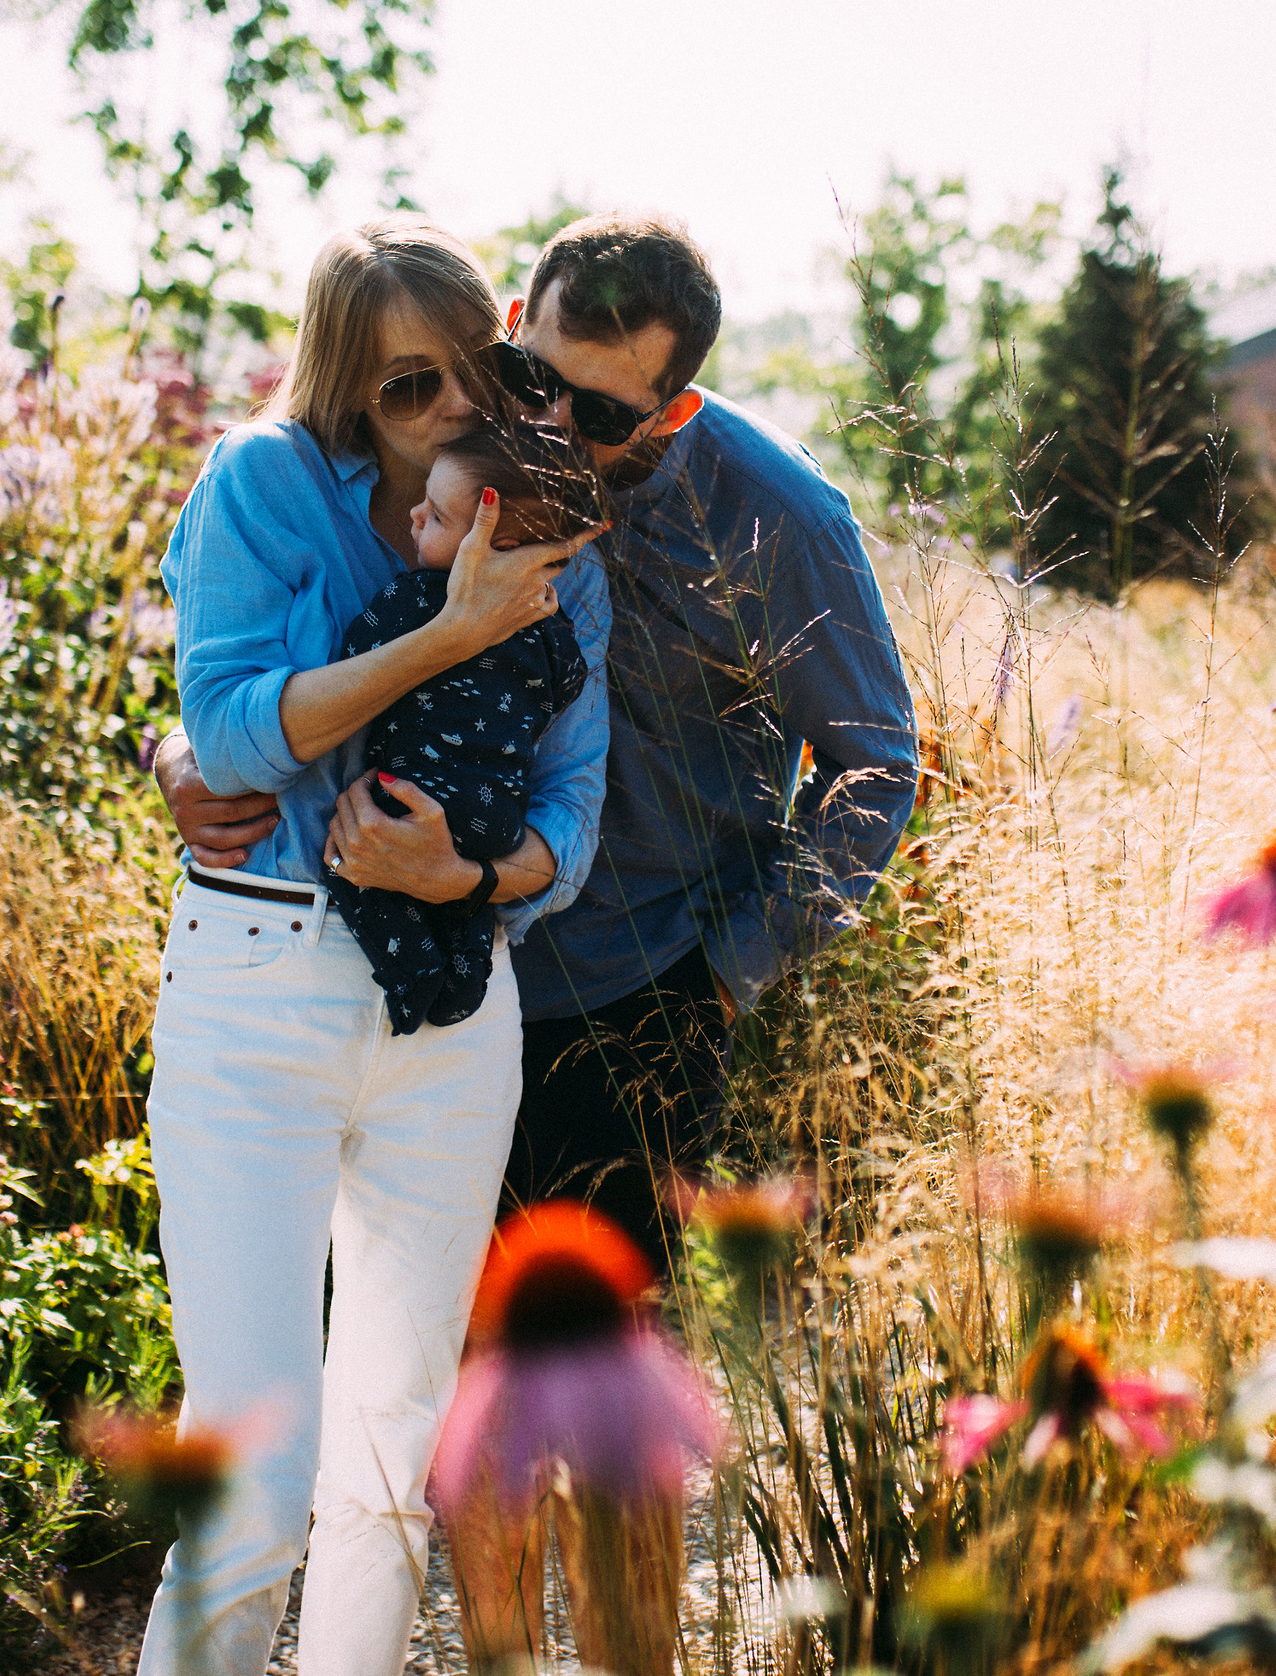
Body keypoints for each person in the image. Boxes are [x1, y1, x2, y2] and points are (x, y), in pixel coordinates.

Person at [160, 211, 918, 1672]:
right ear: (514, 318)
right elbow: (260, 648)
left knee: (610, 1428)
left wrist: (734, 968)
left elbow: (879, 766)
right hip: (439, 996)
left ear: (676, 403)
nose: (552, 417)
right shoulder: (451, 432)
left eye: (605, 409)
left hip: (636, 1006)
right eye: (535, 370)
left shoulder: (777, 517)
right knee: (449, 1427)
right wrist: (183, 756)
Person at [139, 219, 608, 1676]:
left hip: (454, 1010)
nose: (456, 408)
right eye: (411, 388)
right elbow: (223, 731)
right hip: (261, 985)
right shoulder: (266, 483)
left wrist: (467, 869)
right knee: (256, 1467)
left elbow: (573, 814)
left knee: (395, 1461)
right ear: (348, 394)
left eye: (476, 369)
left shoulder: (545, 513)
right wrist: (445, 634)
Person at [324, 421, 609, 1034]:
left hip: (409, 797)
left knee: (355, 868)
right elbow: (567, 686)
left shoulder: (415, 601)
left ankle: (413, 978)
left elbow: (355, 656)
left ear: (493, 549)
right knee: (468, 904)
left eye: (439, 518)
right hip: (498, 820)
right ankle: (464, 975)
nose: (415, 515)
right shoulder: (547, 627)